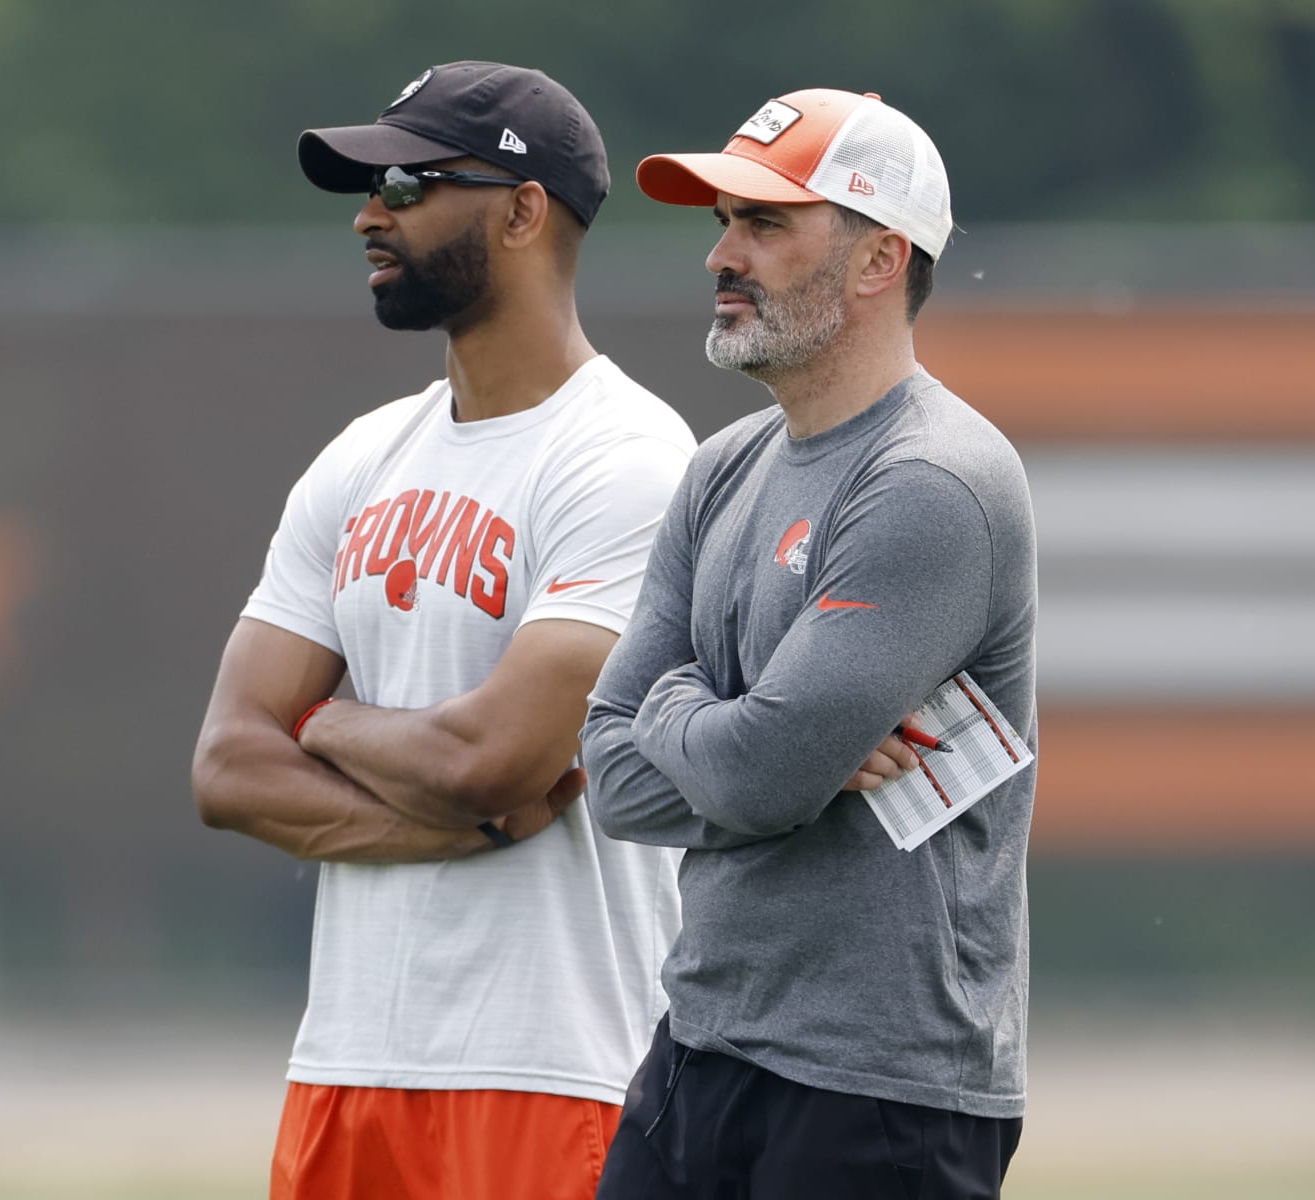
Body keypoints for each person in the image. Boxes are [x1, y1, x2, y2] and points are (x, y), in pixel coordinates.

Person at [191, 61, 695, 1200]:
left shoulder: (626, 460)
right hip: (344, 1069)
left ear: (525, 211)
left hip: (553, 1073)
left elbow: (494, 762)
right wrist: (440, 828)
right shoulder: (362, 456)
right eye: (370, 189)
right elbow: (226, 765)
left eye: (409, 183)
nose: (372, 214)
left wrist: (319, 719)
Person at [580, 88, 1037, 1198]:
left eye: (766, 224)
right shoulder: (723, 467)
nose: (721, 256)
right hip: (697, 1050)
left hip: (878, 1093)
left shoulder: (931, 481)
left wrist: (692, 713)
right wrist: (753, 738)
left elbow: (765, 774)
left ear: (881, 259)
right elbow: (607, 772)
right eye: (723, 223)